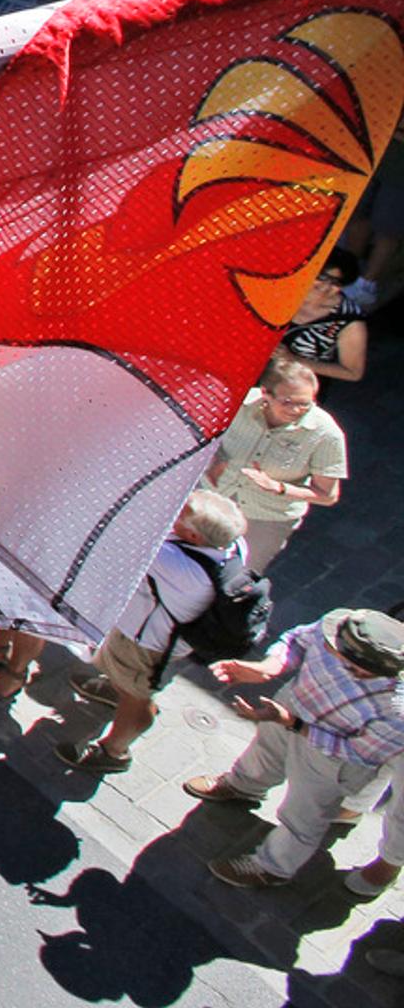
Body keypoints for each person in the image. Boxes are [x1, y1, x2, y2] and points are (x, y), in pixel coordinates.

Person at [187, 606, 404, 888]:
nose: (337, 658)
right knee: (264, 752)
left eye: (356, 668)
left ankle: (273, 867)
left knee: (306, 813)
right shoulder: (338, 626)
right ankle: (242, 786)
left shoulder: (398, 708)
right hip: (292, 705)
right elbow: (298, 640)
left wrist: (291, 723)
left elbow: (359, 752)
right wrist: (267, 668)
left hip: (330, 754)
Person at [52, 487, 249, 770]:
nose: (174, 512)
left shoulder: (171, 560)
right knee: (129, 680)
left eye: (181, 514)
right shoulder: (234, 546)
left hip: (145, 643)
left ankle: (114, 751)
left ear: (194, 536)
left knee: (138, 696)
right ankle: (117, 690)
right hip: (168, 637)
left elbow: (111, 539)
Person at [207, 355, 347, 573]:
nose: (296, 410)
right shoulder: (237, 399)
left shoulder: (325, 434)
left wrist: (279, 488)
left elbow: (328, 495)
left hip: (265, 517)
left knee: (237, 577)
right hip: (213, 496)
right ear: (265, 394)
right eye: (288, 402)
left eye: (305, 404)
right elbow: (204, 434)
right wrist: (213, 458)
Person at [286, 256, 372, 381]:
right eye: (321, 277)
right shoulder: (280, 293)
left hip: (296, 386)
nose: (326, 286)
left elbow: (353, 372)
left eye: (336, 282)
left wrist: (295, 360)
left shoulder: (348, 319)